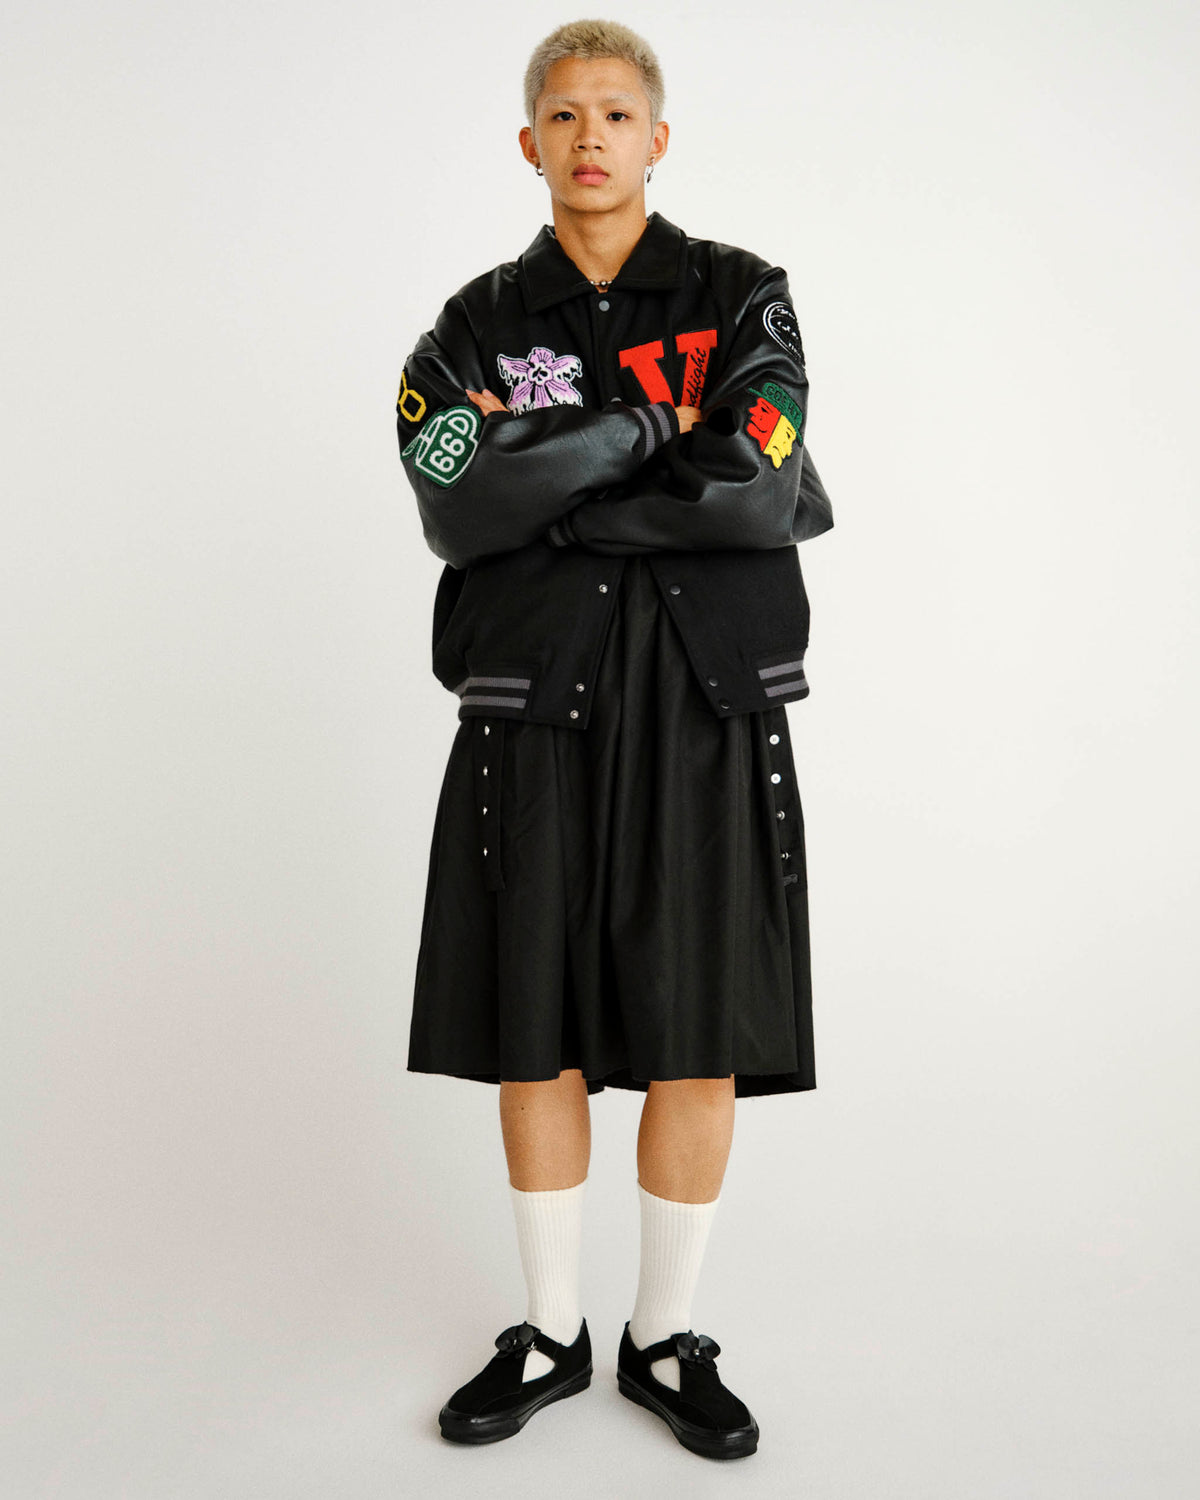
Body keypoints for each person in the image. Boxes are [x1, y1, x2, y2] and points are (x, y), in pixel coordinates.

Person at [395, 18, 833, 1461]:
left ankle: (663, 1336)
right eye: (566, 115)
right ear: (530, 142)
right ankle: (549, 1330)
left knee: (700, 1028)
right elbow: (454, 498)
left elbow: (760, 478)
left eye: (618, 113)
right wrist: (653, 429)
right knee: (536, 1028)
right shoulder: (472, 324)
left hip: (705, 701)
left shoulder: (743, 293)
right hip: (535, 701)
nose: (592, 137)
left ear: (658, 138)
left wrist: (555, 480)